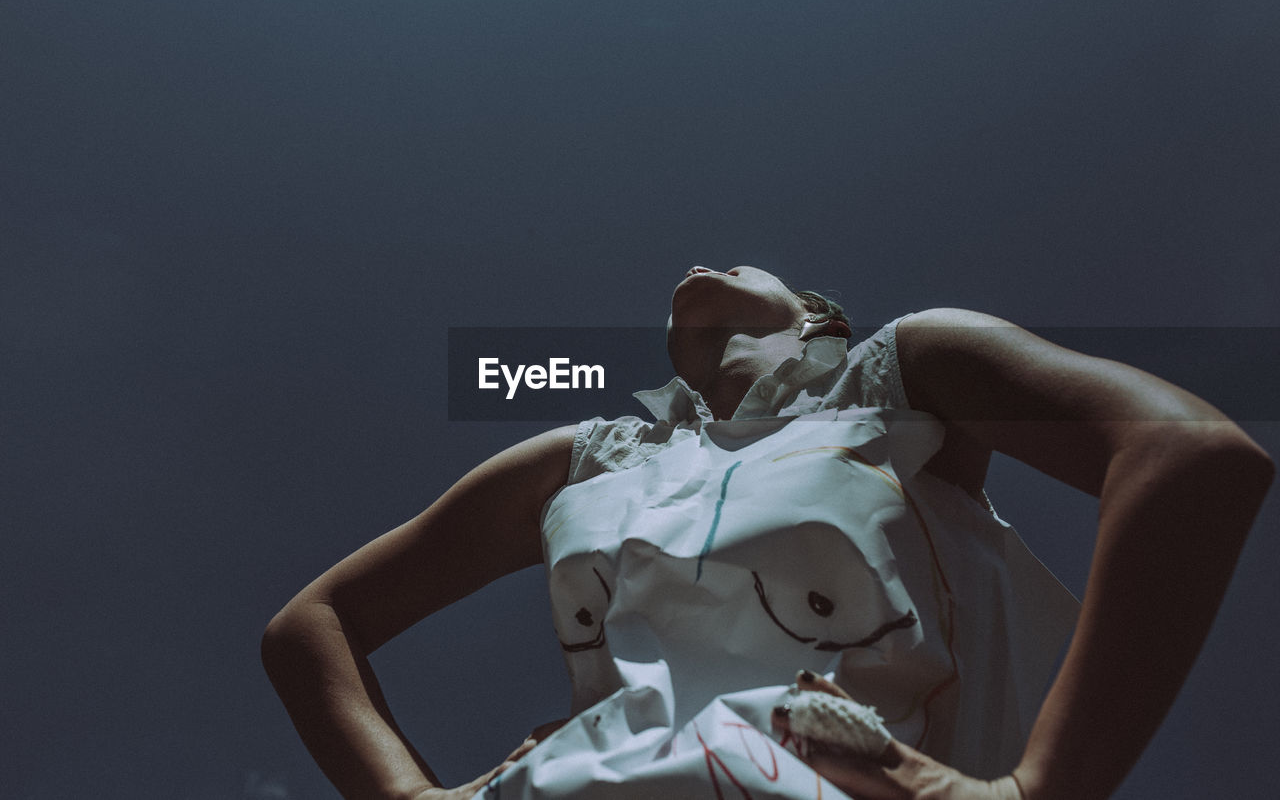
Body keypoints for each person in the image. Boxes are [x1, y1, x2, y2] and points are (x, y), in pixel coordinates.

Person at [262, 265, 1273, 800]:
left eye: (745, 264)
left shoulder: (902, 375)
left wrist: (1040, 790)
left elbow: (1186, 454)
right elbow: (313, 623)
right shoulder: (591, 453)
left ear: (815, 319)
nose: (700, 262)